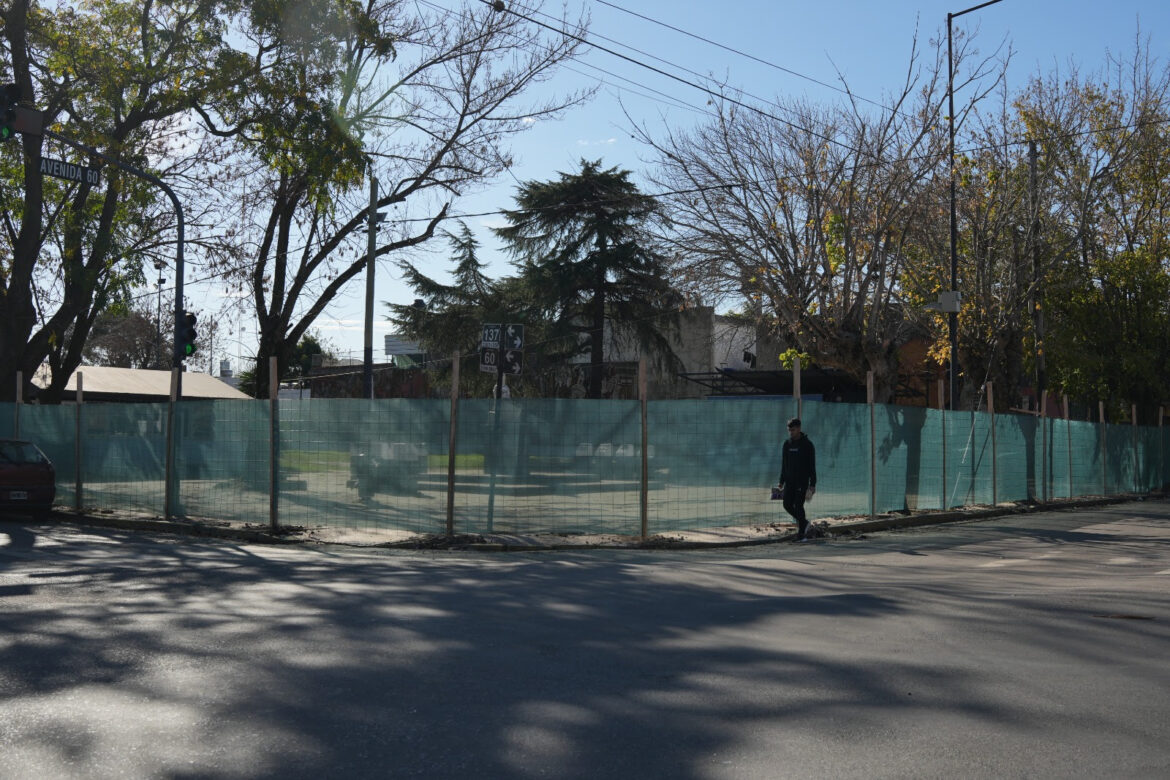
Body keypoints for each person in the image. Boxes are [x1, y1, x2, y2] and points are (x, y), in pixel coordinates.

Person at [777, 417, 817, 540]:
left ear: (799, 429)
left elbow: (812, 465)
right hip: (789, 482)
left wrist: (812, 484)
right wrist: (781, 481)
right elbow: (784, 464)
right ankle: (804, 523)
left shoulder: (807, 445)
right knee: (787, 504)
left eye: (793, 430)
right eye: (789, 430)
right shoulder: (787, 444)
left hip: (802, 482)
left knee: (799, 506)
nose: (791, 432)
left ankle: (802, 534)